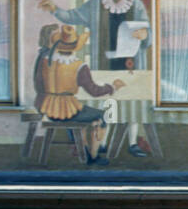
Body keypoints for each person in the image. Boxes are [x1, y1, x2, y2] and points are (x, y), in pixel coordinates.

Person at [32, 23, 124, 166]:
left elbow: (38, 84)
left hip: (46, 108)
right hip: (67, 111)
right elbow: (94, 91)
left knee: (84, 115)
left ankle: (84, 149)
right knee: (101, 115)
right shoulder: (78, 66)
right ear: (75, 46)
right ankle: (93, 156)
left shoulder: (44, 60)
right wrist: (113, 87)